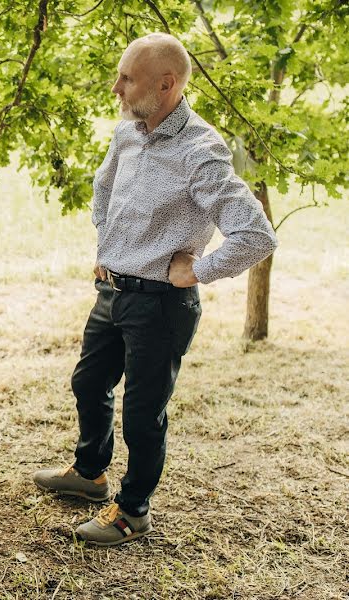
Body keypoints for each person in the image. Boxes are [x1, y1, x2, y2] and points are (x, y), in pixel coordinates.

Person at [32, 33, 278, 546]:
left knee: (142, 414)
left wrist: (198, 271)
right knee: (87, 384)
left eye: (127, 78)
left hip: (161, 306)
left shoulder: (201, 151)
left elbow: (256, 234)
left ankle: (133, 511)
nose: (115, 87)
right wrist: (107, 243)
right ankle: (91, 474)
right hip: (112, 291)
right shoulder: (128, 133)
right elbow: (105, 187)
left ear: (166, 85)